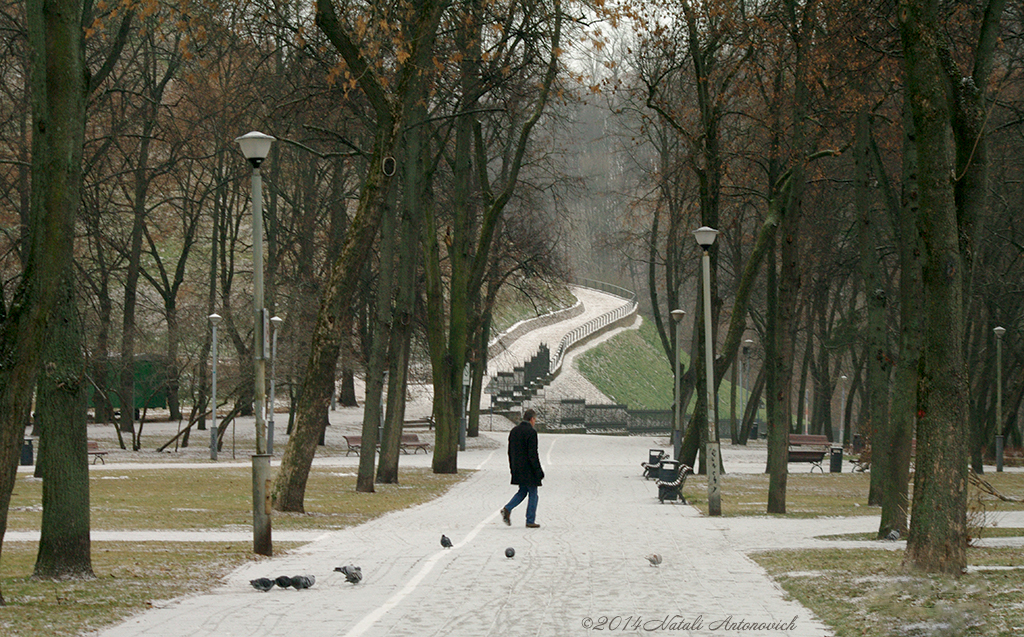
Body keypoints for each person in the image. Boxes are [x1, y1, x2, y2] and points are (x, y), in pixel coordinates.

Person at [501, 408, 544, 528]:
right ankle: (530, 520)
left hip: (517, 467)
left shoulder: (514, 431)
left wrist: (512, 467)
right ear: (531, 419)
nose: (535, 422)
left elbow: (510, 451)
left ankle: (508, 509)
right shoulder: (531, 432)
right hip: (529, 469)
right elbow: (532, 454)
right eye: (535, 420)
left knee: (523, 491)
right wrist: (538, 470)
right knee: (533, 493)